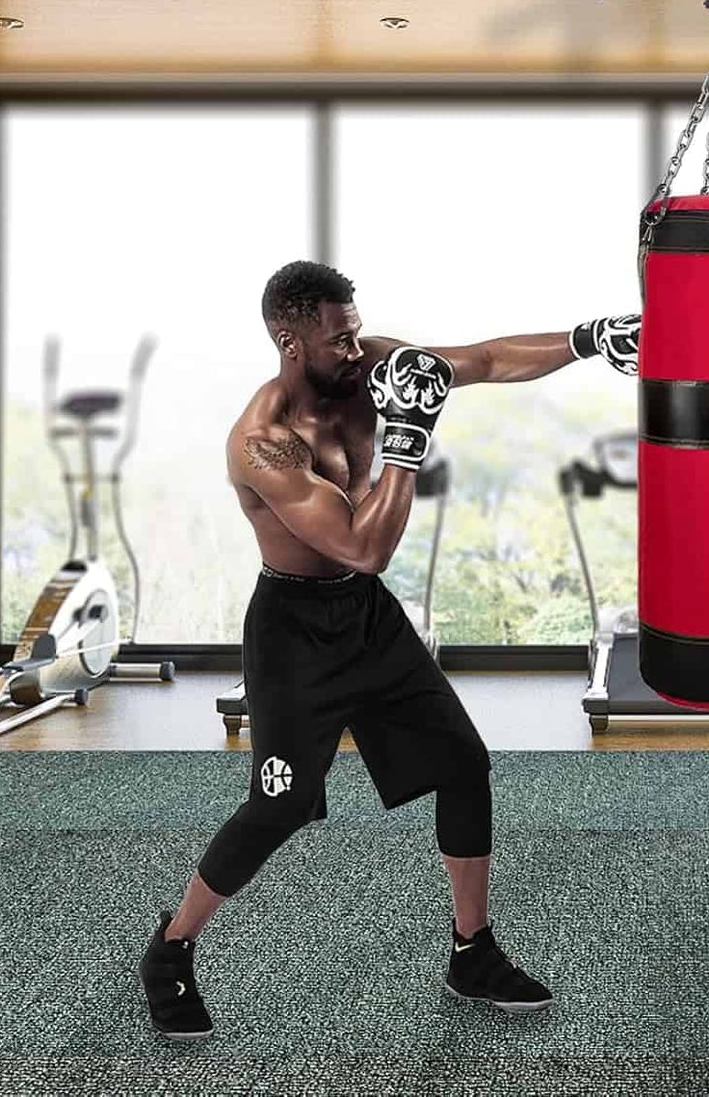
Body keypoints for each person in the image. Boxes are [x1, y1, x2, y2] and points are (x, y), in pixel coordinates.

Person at [138, 260, 639, 1039]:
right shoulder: (261, 444)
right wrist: (406, 441)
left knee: (463, 766)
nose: (356, 345)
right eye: (338, 337)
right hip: (293, 629)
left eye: (356, 328)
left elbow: (481, 359)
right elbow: (363, 545)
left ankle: (471, 949)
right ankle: (170, 948)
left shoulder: (371, 362)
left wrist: (587, 339)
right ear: (289, 341)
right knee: (280, 805)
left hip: (365, 618)